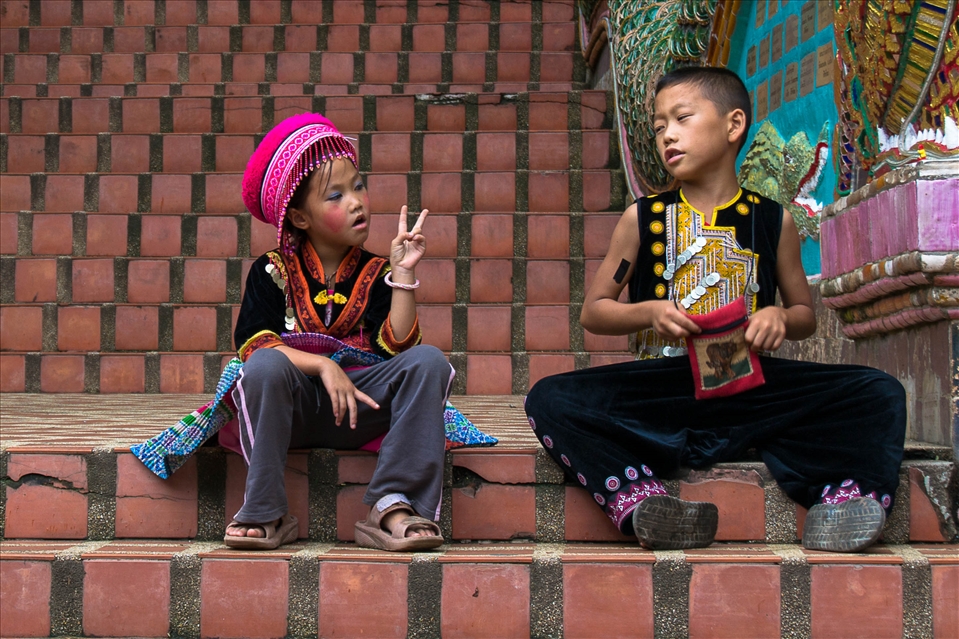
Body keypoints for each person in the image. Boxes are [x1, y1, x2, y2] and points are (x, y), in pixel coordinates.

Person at [524, 66, 906, 553]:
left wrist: (779, 319)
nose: (668, 135)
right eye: (660, 126)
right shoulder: (642, 219)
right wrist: (650, 312)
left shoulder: (774, 221)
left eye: (681, 118)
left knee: (878, 392)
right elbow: (594, 312)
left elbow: (803, 314)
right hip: (667, 388)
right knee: (549, 399)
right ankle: (644, 503)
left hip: (753, 385)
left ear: (733, 125)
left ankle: (845, 504)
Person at [225, 112, 449, 551]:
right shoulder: (272, 270)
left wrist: (402, 274)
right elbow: (253, 346)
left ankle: (393, 503)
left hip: (363, 409)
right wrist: (323, 365)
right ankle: (265, 507)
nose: (356, 201)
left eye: (358, 186)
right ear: (301, 218)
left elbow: (395, 347)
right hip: (292, 412)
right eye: (336, 195)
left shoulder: (376, 270)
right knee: (265, 365)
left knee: (428, 361)